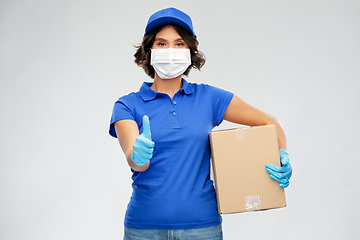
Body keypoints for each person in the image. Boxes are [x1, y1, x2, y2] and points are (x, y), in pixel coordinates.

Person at [109, 7, 292, 240]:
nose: (170, 51)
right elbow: (135, 161)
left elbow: (270, 122)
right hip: (144, 229)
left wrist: (282, 154)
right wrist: (139, 155)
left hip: (202, 228)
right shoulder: (127, 105)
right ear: (149, 50)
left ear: (190, 51)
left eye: (179, 44)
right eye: (161, 43)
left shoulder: (209, 99)